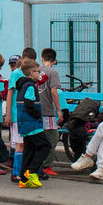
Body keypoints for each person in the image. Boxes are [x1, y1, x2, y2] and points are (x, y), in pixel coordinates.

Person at [13, 57, 51, 189]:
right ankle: (32, 171)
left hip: (24, 123)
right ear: (31, 73)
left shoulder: (22, 85)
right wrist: (38, 116)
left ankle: (23, 177)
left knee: (29, 149)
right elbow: (29, 105)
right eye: (37, 71)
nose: (39, 74)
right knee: (45, 145)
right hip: (32, 123)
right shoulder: (30, 86)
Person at [3, 48, 36, 181]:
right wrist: (8, 113)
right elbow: (10, 93)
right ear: (22, 59)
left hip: (25, 114)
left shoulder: (29, 74)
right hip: (17, 114)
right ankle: (16, 173)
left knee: (25, 143)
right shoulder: (16, 73)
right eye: (27, 61)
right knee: (19, 143)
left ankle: (23, 171)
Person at [39, 47, 63, 177]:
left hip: (36, 110)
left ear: (42, 58)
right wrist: (58, 110)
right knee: (53, 137)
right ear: (54, 61)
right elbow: (54, 91)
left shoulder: (37, 70)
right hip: (47, 110)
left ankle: (38, 163)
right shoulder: (52, 72)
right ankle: (46, 165)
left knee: (39, 137)